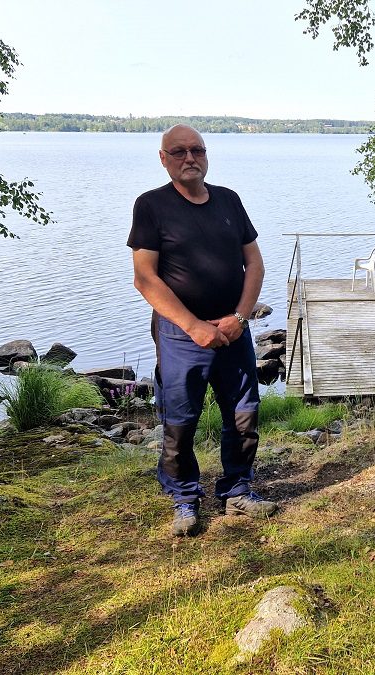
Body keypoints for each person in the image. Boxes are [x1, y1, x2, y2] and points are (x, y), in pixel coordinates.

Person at [128, 124, 277, 536]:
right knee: (180, 420)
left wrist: (241, 318)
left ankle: (237, 491)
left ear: (207, 155)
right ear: (163, 159)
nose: (189, 158)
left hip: (233, 331)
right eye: (178, 152)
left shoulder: (229, 200)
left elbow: (255, 264)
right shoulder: (152, 206)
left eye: (197, 150)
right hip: (181, 336)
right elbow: (145, 278)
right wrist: (193, 326)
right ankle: (184, 498)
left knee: (244, 416)